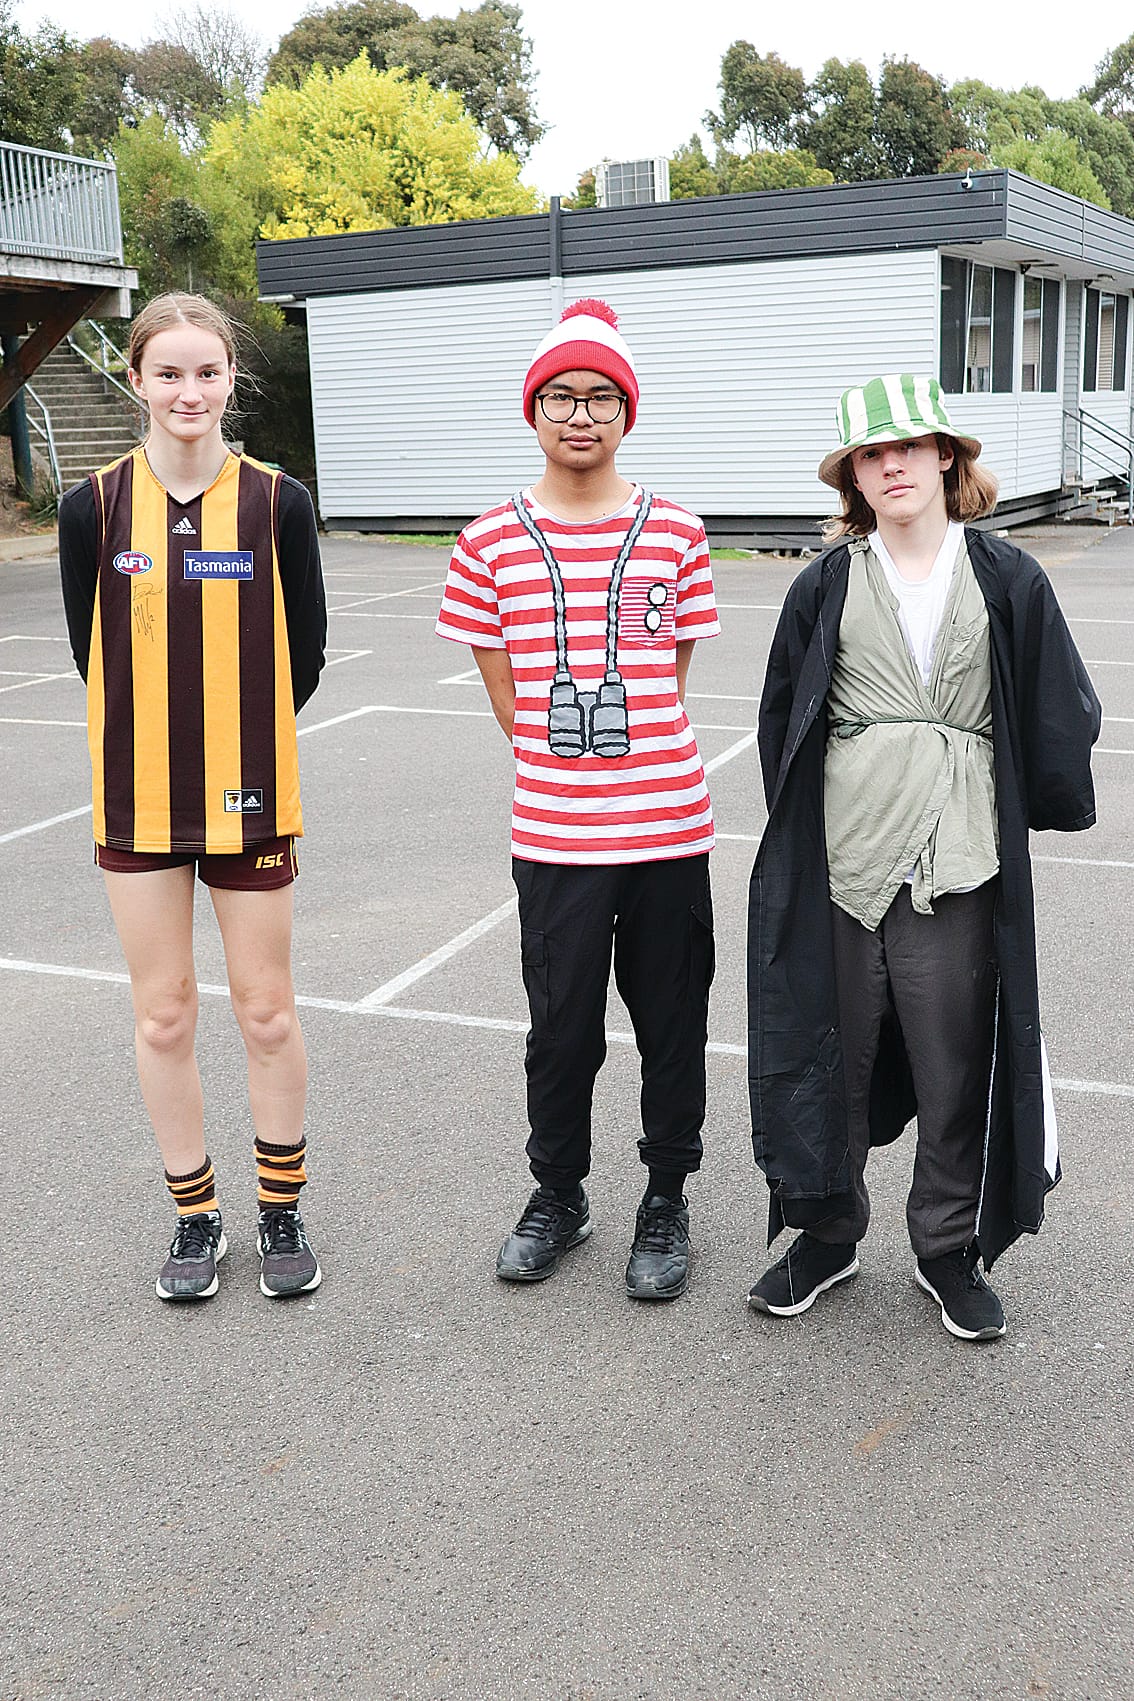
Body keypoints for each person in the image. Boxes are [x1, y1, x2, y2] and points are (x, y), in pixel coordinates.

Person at [746, 374, 1100, 1340]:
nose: (891, 464)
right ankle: (826, 1232)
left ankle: (946, 1249)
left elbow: (1056, 702)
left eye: (908, 446)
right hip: (848, 859)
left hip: (961, 857)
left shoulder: (1006, 578)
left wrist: (1051, 790)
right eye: (871, 453)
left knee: (954, 1065)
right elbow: (783, 718)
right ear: (855, 477)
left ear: (947, 455)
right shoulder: (823, 583)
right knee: (835, 1056)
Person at [436, 299, 720, 1300]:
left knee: (672, 1022)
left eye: (602, 396)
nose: (581, 414)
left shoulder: (678, 532)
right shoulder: (488, 541)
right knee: (560, 1030)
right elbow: (495, 668)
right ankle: (558, 1193)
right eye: (561, 396)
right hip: (554, 834)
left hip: (667, 826)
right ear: (534, 410)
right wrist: (548, 751)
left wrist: (629, 751)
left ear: (627, 410)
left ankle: (666, 1198)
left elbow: (672, 663)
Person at [58, 292, 327, 1302]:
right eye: (167, 372)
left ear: (229, 381)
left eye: (206, 372)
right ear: (137, 380)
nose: (188, 390)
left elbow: (305, 654)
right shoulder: (92, 505)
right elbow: (94, 659)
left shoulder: (277, 502)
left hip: (249, 796)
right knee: (164, 1015)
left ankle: (281, 1209)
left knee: (264, 1009)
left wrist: (236, 732)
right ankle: (194, 1216)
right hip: (135, 799)